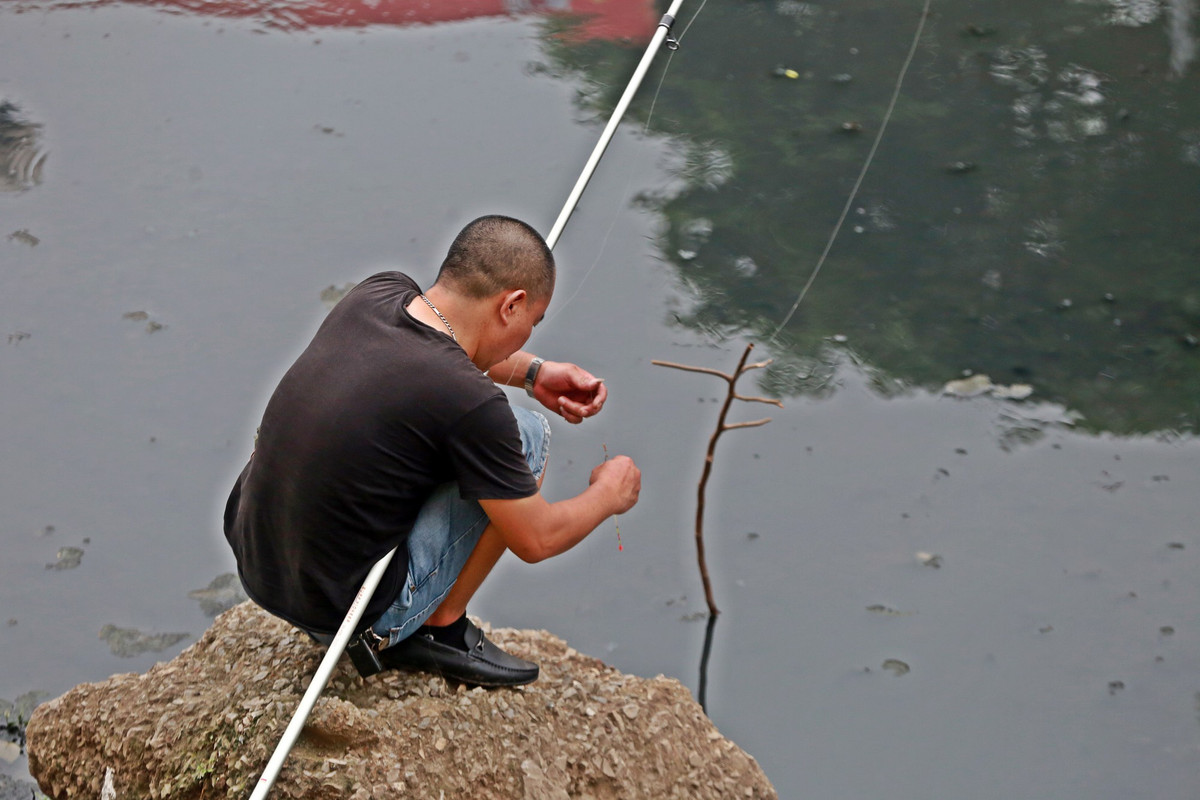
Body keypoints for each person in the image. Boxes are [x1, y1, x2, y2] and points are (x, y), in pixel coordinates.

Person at [223, 215, 640, 688]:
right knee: (526, 435)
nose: (529, 338)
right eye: (532, 323)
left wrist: (534, 372)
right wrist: (610, 494)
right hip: (343, 616)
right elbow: (536, 540)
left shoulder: (376, 294)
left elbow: (441, 348)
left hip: (260, 569)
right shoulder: (472, 404)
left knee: (446, 437)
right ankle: (440, 627)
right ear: (512, 305)